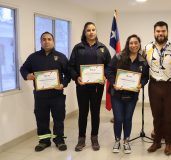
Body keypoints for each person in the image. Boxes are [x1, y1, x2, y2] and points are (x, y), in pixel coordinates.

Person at [20, 32, 70, 152]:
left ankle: (59, 140)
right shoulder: (33, 57)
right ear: (41, 42)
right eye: (44, 39)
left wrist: (63, 84)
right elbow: (23, 68)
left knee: (59, 118)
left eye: (49, 39)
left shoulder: (61, 57)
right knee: (41, 118)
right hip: (40, 96)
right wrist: (27, 75)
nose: (46, 41)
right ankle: (44, 141)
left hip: (57, 95)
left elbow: (68, 73)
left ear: (53, 41)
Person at [69, 22, 111, 152]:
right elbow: (70, 66)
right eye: (88, 30)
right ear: (85, 32)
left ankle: (94, 137)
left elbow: (110, 66)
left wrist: (105, 76)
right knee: (83, 112)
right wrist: (77, 77)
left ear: (96, 31)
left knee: (95, 112)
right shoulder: (78, 48)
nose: (91, 32)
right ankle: (81, 138)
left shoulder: (103, 48)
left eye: (93, 30)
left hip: (97, 87)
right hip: (82, 86)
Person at [106, 34, 149, 154]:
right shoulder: (119, 56)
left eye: (136, 43)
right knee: (118, 118)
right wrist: (114, 82)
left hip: (132, 95)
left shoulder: (143, 61)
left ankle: (126, 141)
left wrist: (141, 84)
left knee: (128, 118)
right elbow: (108, 70)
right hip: (117, 94)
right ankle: (117, 140)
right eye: (131, 43)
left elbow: (146, 77)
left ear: (139, 44)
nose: (133, 45)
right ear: (127, 44)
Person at [145, 21, 171, 156]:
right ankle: (157, 141)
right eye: (158, 31)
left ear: (167, 32)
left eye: (163, 31)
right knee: (156, 115)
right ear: (154, 32)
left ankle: (169, 143)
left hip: (170, 86)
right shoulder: (147, 48)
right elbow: (143, 67)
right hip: (154, 86)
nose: (160, 33)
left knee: (169, 116)